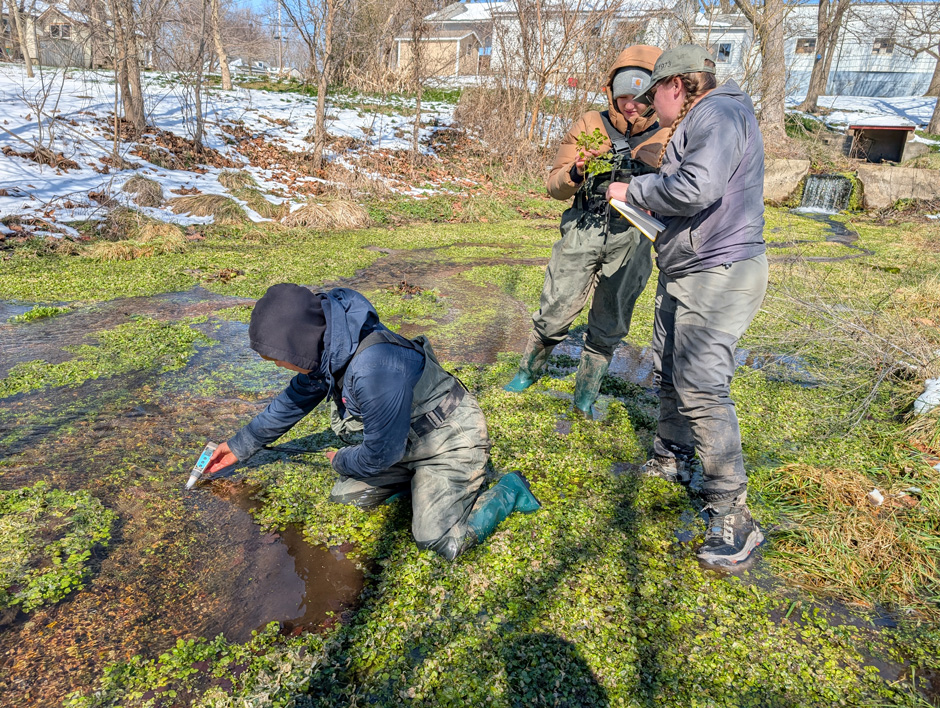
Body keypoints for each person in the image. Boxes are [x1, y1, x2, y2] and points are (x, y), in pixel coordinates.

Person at [202, 284, 541, 561]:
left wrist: (342, 460)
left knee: (438, 542)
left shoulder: (373, 368)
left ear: (298, 343)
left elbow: (380, 454)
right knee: (347, 498)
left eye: (278, 359)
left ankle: (510, 491)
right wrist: (238, 446)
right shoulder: (328, 345)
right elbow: (294, 401)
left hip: (448, 438)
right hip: (403, 440)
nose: (279, 366)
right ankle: (417, 482)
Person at [605, 45, 768, 566]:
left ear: (677, 84)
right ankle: (670, 456)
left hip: (718, 272)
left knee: (700, 383)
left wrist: (637, 189)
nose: (653, 105)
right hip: (688, 268)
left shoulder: (718, 113)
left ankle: (734, 516)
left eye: (655, 93)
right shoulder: (708, 116)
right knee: (669, 367)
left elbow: (698, 186)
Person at [504, 45, 668, 418]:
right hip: (583, 227)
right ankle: (528, 370)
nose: (631, 106)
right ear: (611, 92)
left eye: (641, 99)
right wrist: (577, 170)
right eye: (624, 97)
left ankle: (584, 395)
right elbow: (554, 186)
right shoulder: (588, 124)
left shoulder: (670, 132)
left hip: (633, 237)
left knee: (611, 319)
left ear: (655, 94)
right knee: (556, 307)